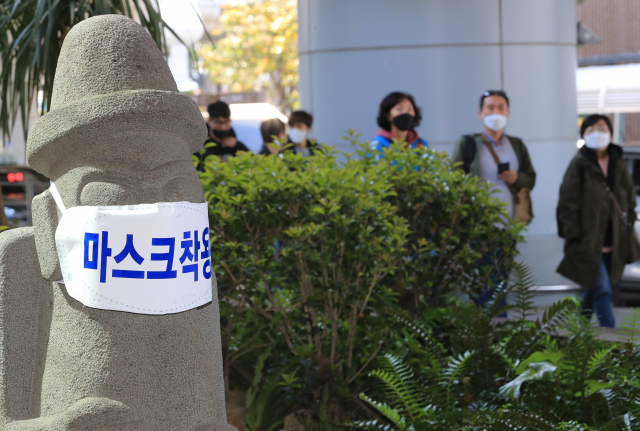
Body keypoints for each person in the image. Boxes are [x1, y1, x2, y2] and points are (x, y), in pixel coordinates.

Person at [557, 114, 640, 328]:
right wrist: (573, 234)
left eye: (602, 128)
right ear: (583, 135)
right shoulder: (579, 164)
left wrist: (627, 223)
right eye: (591, 129)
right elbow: (567, 202)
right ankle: (612, 342)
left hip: (615, 240)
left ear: (611, 133)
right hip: (587, 241)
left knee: (592, 290)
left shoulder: (619, 164)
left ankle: (578, 331)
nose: (597, 134)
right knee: (603, 289)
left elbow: (629, 200)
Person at [452, 90, 536, 220]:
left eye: (501, 107)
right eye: (490, 108)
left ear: (508, 113)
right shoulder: (468, 144)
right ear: (481, 113)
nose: (496, 112)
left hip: (511, 224)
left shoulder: (517, 145)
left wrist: (516, 179)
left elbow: (531, 179)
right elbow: (454, 180)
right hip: (477, 224)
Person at [196, 100, 249, 169]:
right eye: (218, 122)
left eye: (226, 122)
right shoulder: (199, 142)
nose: (223, 127)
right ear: (209, 121)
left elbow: (251, 160)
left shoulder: (233, 140)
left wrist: (237, 145)